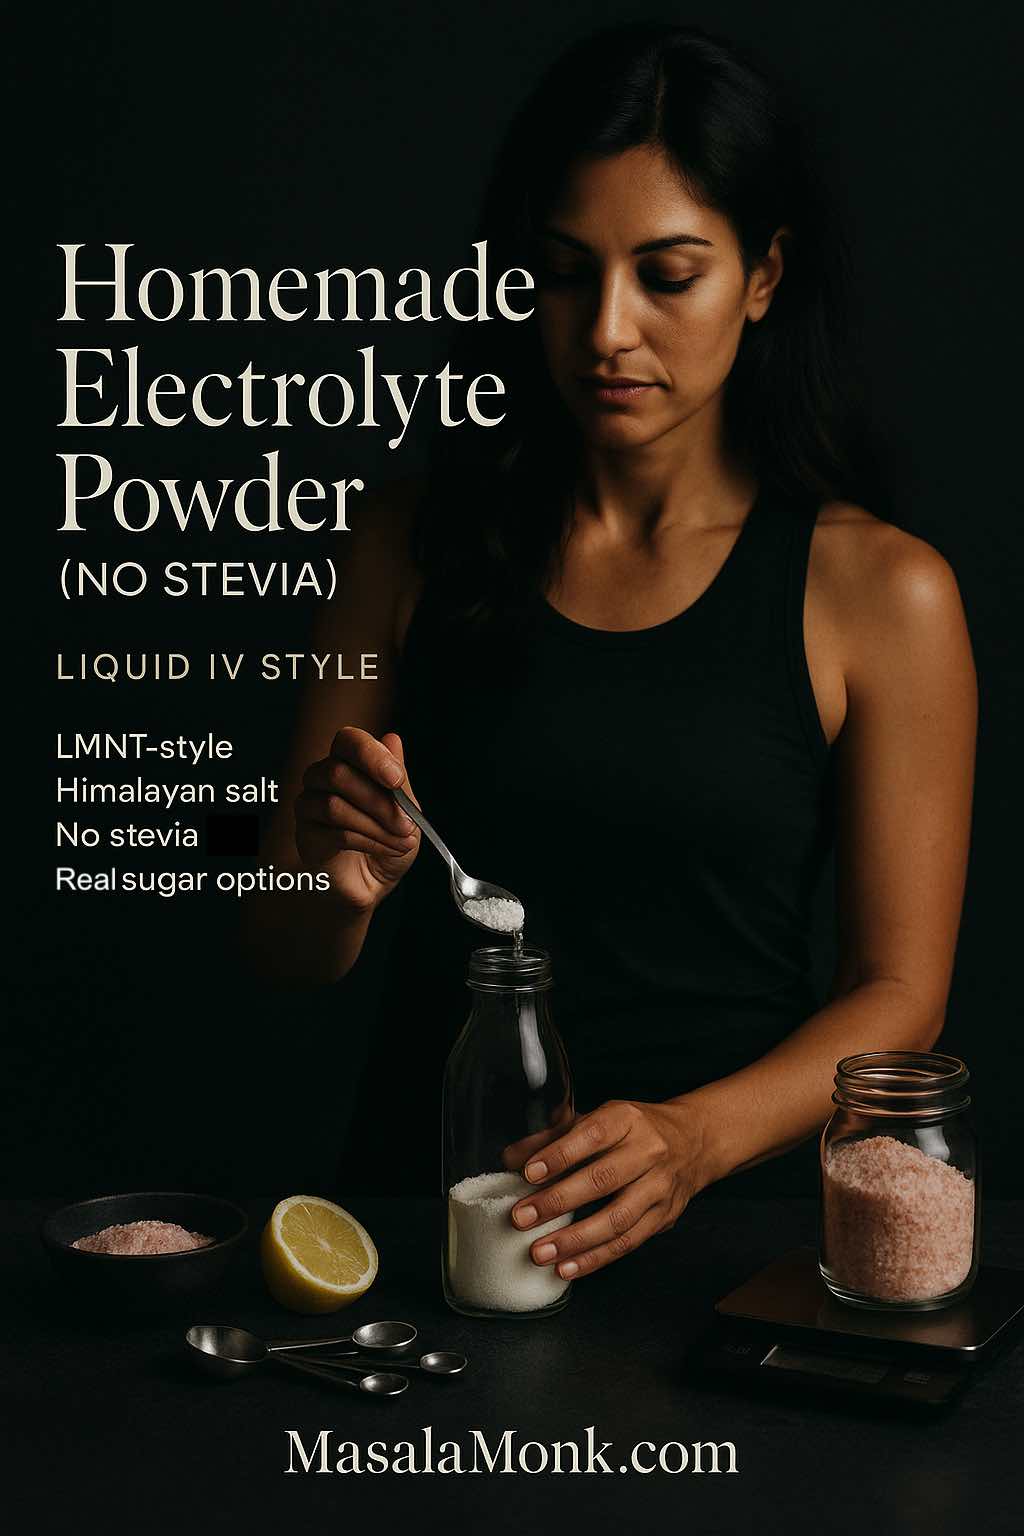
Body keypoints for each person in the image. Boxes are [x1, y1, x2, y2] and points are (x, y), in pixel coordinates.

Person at [244, 22, 976, 1286]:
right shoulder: (406, 542)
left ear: (760, 277)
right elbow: (284, 945)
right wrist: (327, 870)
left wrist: (692, 1139)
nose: (606, 331)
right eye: (564, 273)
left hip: (729, 1238)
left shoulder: (879, 589)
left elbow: (898, 993)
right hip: (437, 1223)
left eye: (668, 274)